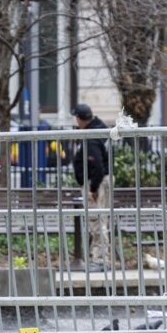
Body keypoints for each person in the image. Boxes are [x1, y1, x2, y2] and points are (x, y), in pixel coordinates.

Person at [70, 103, 110, 270]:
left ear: (79, 119)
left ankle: (100, 260)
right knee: (99, 220)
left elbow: (98, 166)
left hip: (96, 183)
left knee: (96, 221)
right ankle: (100, 259)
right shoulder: (97, 130)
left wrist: (93, 188)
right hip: (99, 181)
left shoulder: (92, 137)